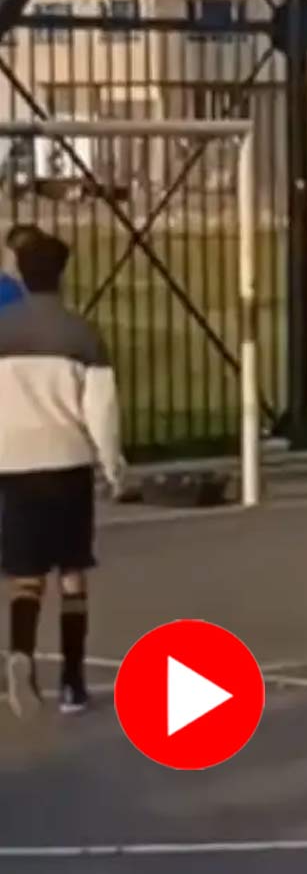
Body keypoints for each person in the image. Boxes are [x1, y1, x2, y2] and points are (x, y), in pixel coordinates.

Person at [0, 228, 123, 717]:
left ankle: (22, 653)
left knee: (24, 574)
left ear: (22, 276)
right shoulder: (82, 334)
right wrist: (113, 466)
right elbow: (103, 410)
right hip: (67, 461)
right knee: (73, 571)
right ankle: (72, 680)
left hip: (12, 463)